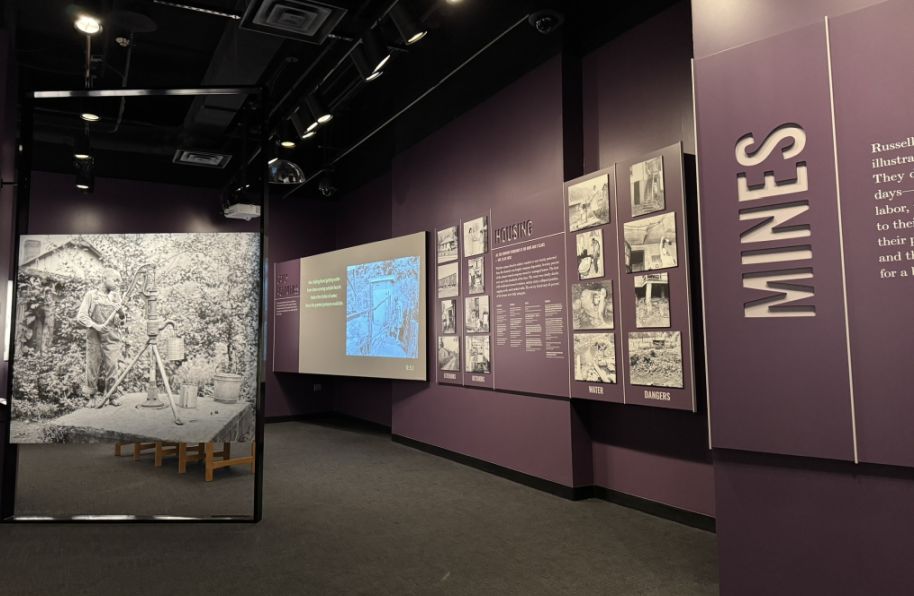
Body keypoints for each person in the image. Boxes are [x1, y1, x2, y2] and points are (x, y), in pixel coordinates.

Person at [76, 268, 126, 408]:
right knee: (92, 365)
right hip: (95, 336)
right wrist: (96, 326)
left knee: (112, 366)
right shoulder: (91, 295)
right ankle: (91, 397)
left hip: (111, 337)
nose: (118, 283)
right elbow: (81, 316)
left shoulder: (116, 297)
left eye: (119, 281)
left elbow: (122, 321)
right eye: (115, 280)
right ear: (104, 278)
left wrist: (121, 313)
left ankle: (112, 396)